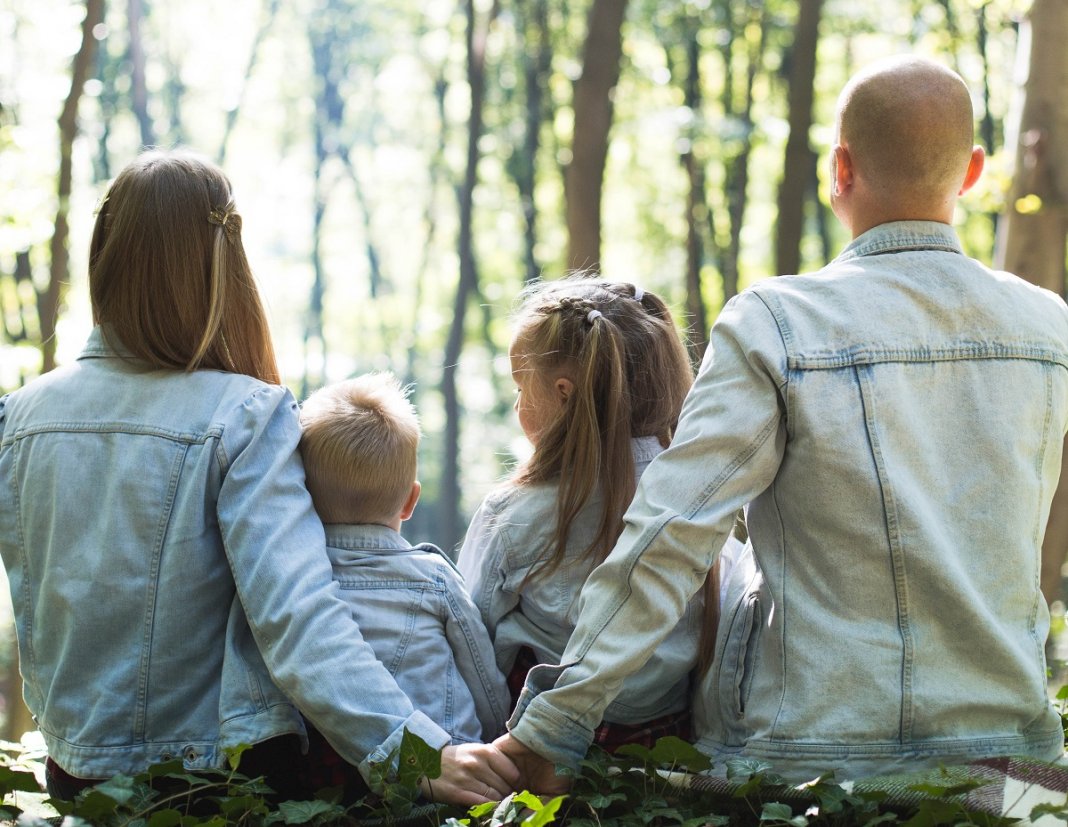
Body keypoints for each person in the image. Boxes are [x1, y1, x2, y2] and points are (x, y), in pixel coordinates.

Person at [495, 55, 1068, 789]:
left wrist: (556, 724)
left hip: (806, 761)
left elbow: (672, 533)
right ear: (973, 172)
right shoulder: (1047, 327)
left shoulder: (777, 324)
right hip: (1013, 764)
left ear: (839, 169)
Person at [0, 149, 517, 805]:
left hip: (74, 777)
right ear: (222, 265)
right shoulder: (244, 414)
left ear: (105, 253)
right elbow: (298, 617)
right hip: (207, 785)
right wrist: (416, 752)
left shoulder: (18, 415)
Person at [458, 277, 740, 750]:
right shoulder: (703, 502)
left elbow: (470, 641)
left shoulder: (513, 514)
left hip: (535, 749)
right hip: (666, 749)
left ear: (564, 394)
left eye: (521, 387)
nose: (516, 404)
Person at [297, 371, 510, 752]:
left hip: (334, 773)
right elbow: (483, 679)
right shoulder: (433, 578)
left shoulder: (293, 581)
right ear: (411, 501)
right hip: (447, 761)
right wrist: (496, 736)